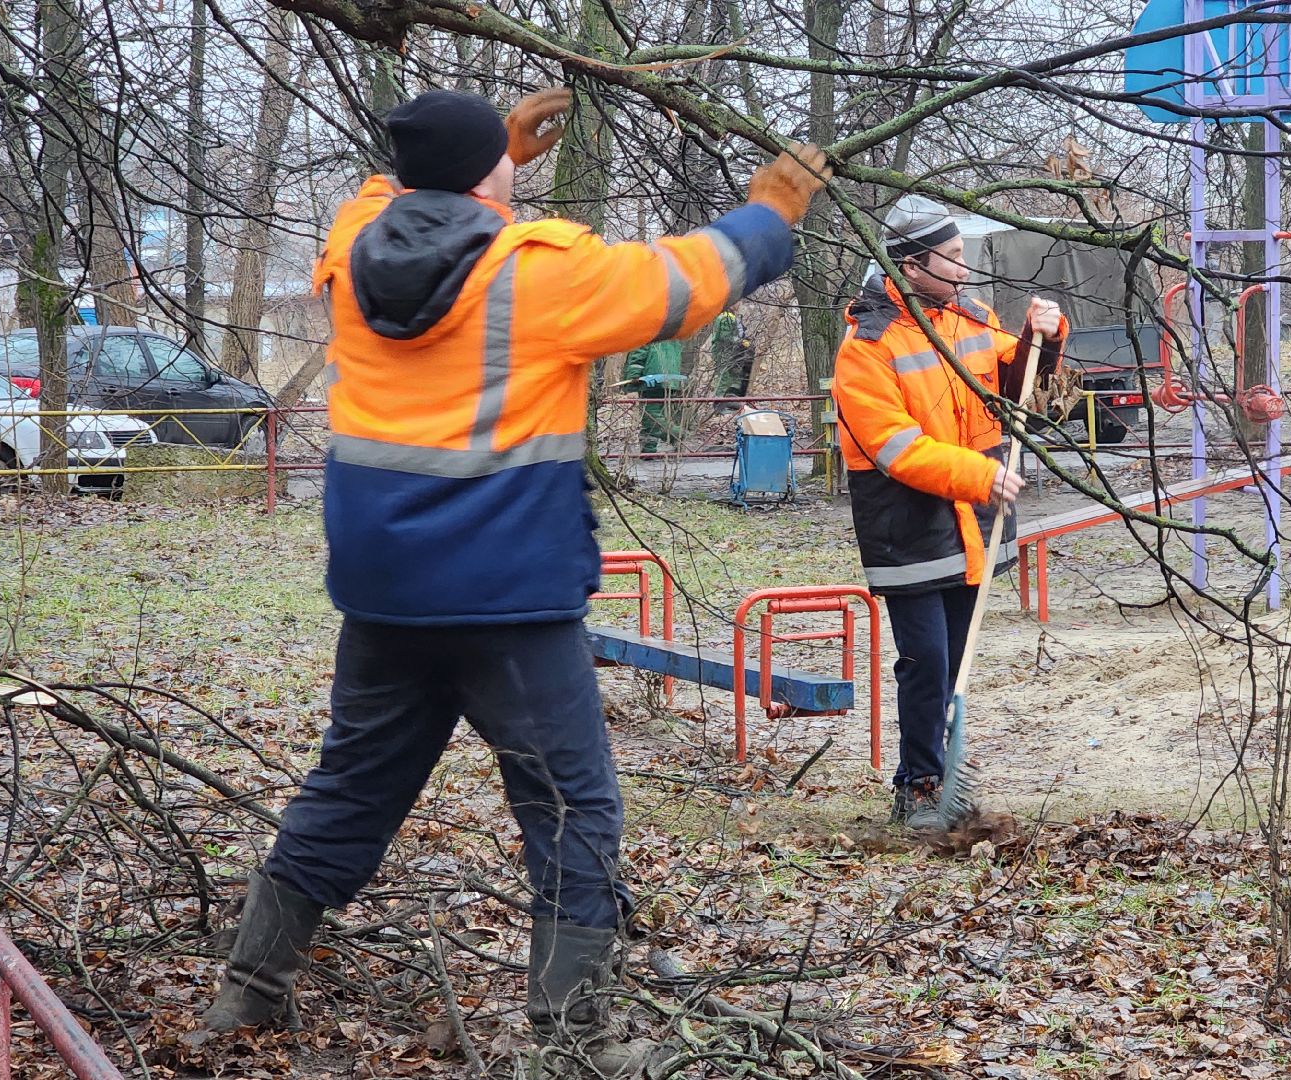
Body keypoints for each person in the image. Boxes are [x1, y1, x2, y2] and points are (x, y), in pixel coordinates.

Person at [195, 85, 832, 1078]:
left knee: (350, 791)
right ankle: (571, 1039)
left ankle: (247, 990)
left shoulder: (354, 251)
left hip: (385, 595)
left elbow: (390, 193)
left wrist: (489, 160)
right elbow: (686, 282)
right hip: (508, 605)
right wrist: (773, 208)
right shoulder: (539, 276)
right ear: (485, 175)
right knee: (573, 811)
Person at [830, 195, 1065, 828]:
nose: (965, 269)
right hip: (909, 526)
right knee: (928, 659)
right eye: (953, 258)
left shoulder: (972, 317)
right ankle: (921, 783)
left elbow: (1015, 397)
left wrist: (1042, 340)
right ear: (911, 264)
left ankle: (941, 773)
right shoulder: (866, 345)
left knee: (955, 660)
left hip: (974, 521)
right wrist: (980, 477)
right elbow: (895, 448)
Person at [622, 338, 686, 451]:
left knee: (651, 417)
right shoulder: (672, 334)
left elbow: (637, 360)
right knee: (652, 415)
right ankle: (648, 449)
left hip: (651, 380)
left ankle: (679, 435)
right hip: (670, 380)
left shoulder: (646, 333)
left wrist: (632, 384)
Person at [707, 310, 756, 408]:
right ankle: (718, 403)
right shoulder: (727, 317)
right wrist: (742, 342)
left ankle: (725, 401)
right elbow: (726, 337)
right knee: (724, 378)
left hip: (727, 352)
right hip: (723, 352)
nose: (738, 304)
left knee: (728, 377)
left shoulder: (729, 316)